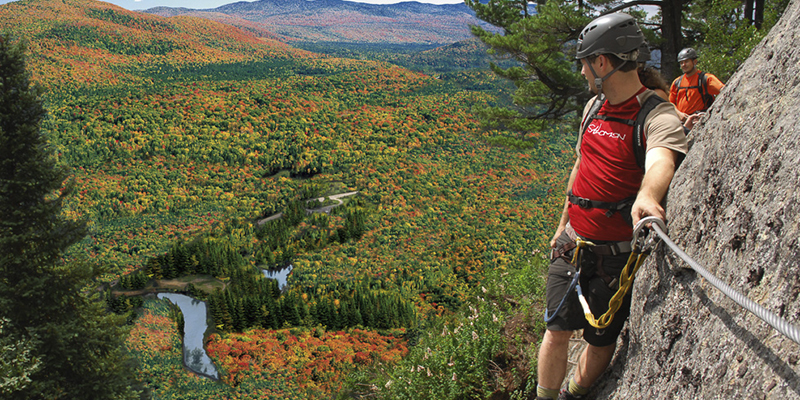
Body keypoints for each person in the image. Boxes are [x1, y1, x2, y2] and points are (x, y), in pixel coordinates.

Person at [536, 13, 688, 400]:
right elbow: (581, 168)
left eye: (584, 63)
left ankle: (572, 392)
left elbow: (661, 160)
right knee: (555, 330)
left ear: (602, 62)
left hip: (614, 258)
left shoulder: (657, 115)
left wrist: (648, 195)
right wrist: (561, 227)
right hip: (573, 244)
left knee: (600, 339)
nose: (583, 72)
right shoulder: (594, 108)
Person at [669, 47, 725, 125]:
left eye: (686, 61)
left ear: (695, 62)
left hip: (699, 121)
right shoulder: (677, 82)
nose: (683, 65)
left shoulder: (706, 78)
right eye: (681, 63)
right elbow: (670, 103)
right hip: (682, 122)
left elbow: (724, 90)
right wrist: (679, 114)